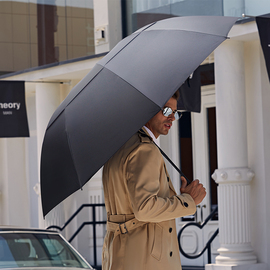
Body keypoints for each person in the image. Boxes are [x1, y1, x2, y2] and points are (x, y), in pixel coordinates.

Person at [102, 91, 206, 270]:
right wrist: (188, 201)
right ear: (146, 110)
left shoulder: (118, 148)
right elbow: (145, 209)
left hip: (120, 253)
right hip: (145, 259)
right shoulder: (144, 150)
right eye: (166, 111)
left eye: (175, 112)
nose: (172, 118)